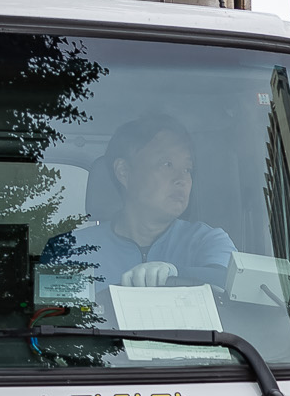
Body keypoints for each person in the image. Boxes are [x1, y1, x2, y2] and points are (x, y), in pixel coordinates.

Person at [53, 114, 236, 286]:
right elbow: (54, 316)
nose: (182, 178)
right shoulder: (70, 250)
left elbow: (232, 284)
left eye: (188, 168)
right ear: (124, 171)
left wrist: (175, 273)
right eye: (167, 164)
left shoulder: (206, 240)